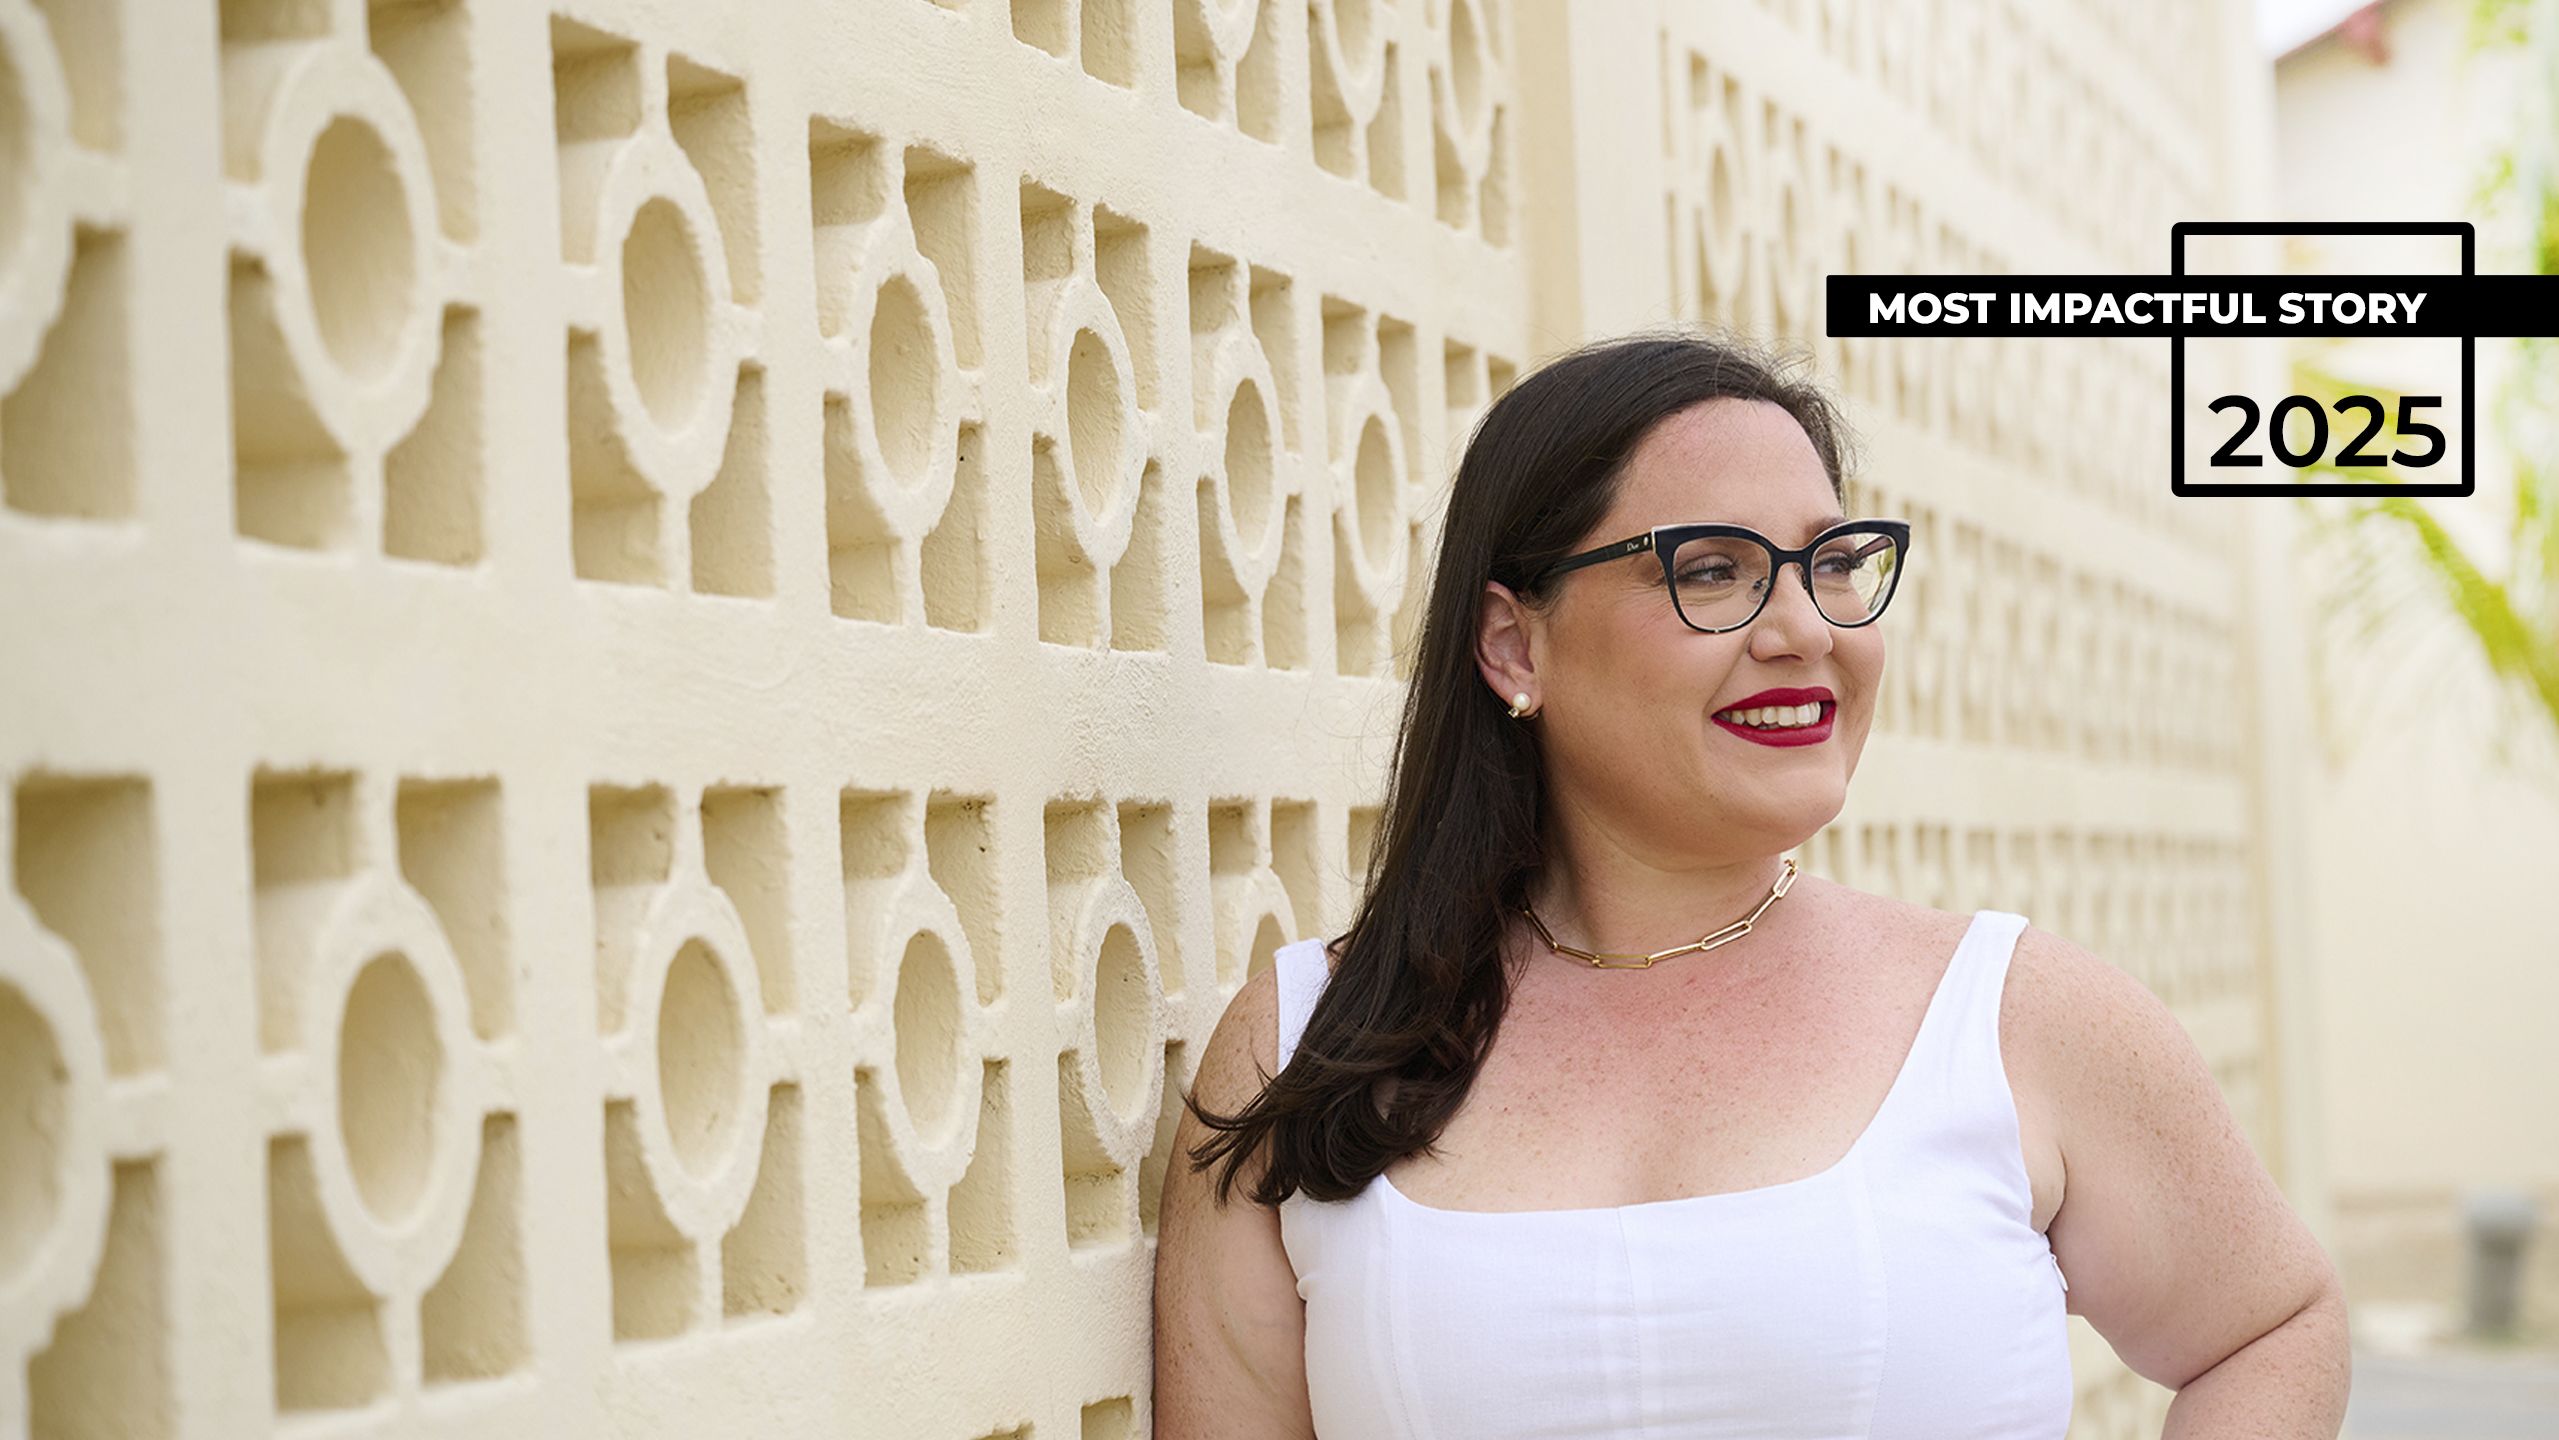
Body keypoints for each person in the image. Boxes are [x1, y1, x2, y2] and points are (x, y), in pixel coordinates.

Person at [1151, 329, 2349, 1437]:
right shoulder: (1301, 1045)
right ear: (1516, 646)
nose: (1803, 628)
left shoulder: (2015, 1019)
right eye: (1714, 571)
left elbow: (2270, 1329)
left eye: (1832, 565)